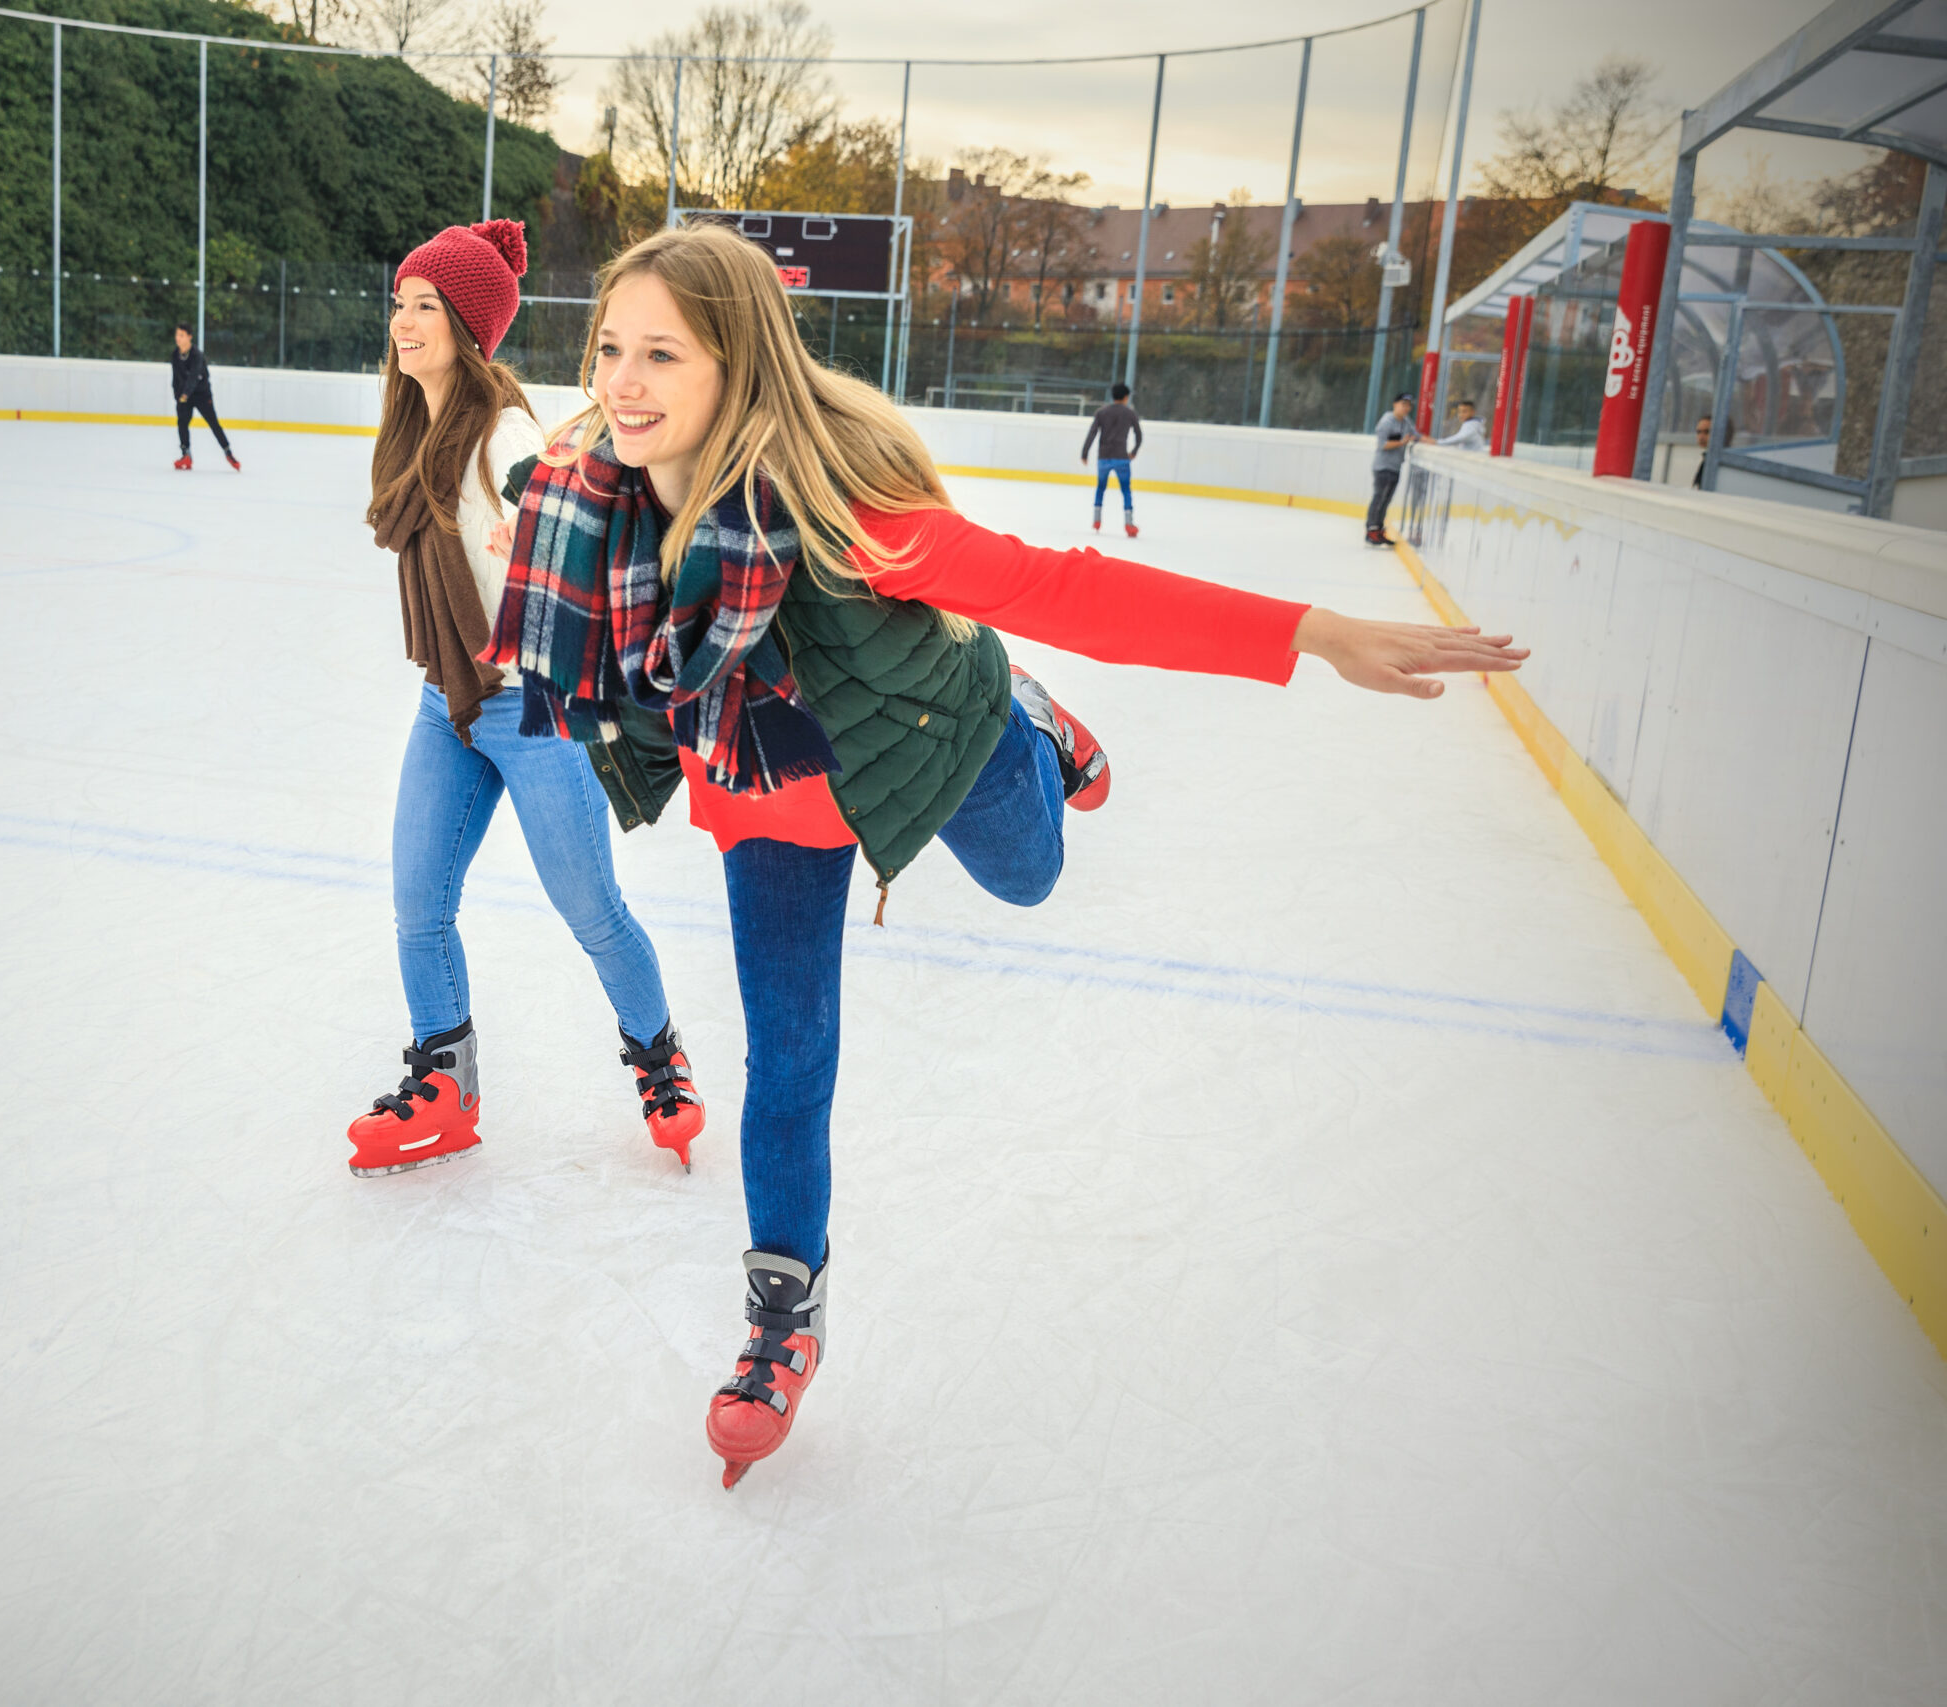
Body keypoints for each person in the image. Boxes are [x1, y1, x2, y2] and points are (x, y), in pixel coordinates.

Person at [484, 225, 1526, 1488]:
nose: (624, 381)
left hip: (932, 732)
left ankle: (1027, 716)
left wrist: (1307, 629)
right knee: (790, 1060)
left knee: (1029, 876)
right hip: (769, 798)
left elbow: (1071, 588)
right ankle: (780, 1317)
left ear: (738, 364)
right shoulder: (586, 501)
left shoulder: (843, 519)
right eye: (610, 347)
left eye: (663, 353)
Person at [348, 219, 704, 1180]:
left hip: (532, 703)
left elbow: (579, 529)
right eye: (401, 303)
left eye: (428, 307)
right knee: (418, 902)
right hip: (450, 700)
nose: (404, 321)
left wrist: (542, 550)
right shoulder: (413, 428)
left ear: (470, 327)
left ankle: (659, 1058)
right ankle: (445, 1085)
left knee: (591, 907)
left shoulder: (502, 432)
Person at [170, 324, 240, 472]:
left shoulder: (197, 355)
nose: (178, 338)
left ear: (189, 337)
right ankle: (186, 454)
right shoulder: (175, 355)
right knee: (182, 422)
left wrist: (186, 393)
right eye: (177, 335)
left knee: (213, 423)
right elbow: (176, 378)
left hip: (201, 394)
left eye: (181, 335)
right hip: (184, 395)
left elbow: (195, 376)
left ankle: (228, 452)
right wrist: (178, 395)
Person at [1078, 381, 1143, 536]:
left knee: (1101, 488)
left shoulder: (1102, 412)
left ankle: (1097, 520)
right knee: (1126, 490)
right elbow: (1139, 435)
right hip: (1121, 457)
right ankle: (1129, 524)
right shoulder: (1129, 413)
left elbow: (1092, 433)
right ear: (1126, 397)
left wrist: (1084, 453)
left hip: (1104, 457)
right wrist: (1133, 451)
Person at [1367, 393, 1420, 545]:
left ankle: (1379, 529)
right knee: (1379, 498)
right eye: (1403, 404)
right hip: (1383, 466)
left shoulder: (1405, 422)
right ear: (1395, 405)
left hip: (1395, 466)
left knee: (1386, 500)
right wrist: (1402, 442)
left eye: (1409, 405)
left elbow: (1415, 435)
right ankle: (1371, 530)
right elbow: (1382, 444)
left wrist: (1436, 442)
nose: (1406, 408)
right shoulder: (1387, 421)